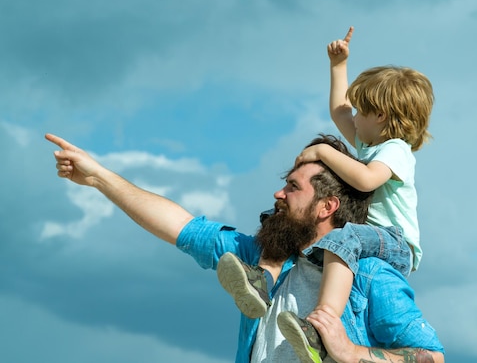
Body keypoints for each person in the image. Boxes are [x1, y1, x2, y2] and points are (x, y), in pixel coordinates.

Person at [46, 132, 444, 363]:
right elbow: (181, 226)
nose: (278, 193)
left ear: (328, 207)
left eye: (292, 187)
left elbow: (433, 358)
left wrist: (351, 352)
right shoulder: (259, 261)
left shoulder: (371, 275)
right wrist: (99, 179)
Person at [218, 27, 435, 362]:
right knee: (293, 232)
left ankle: (322, 323)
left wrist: (321, 150)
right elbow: (339, 111)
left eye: (363, 111)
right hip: (368, 237)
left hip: (395, 241)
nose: (355, 118)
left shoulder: (395, 151)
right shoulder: (371, 142)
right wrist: (338, 65)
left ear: (380, 116)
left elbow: (365, 180)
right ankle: (262, 281)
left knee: (342, 239)